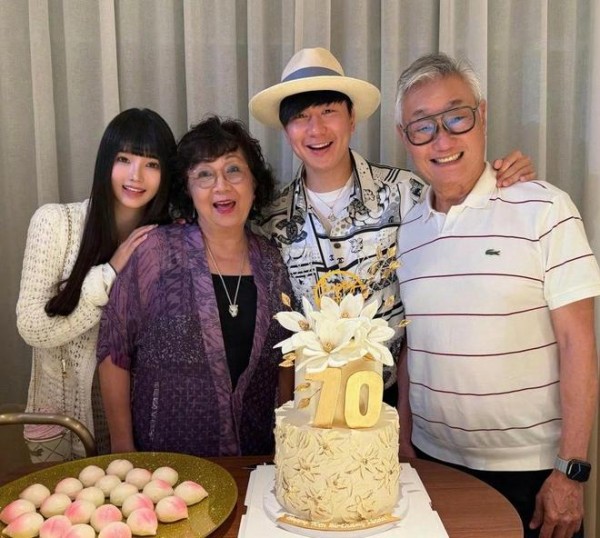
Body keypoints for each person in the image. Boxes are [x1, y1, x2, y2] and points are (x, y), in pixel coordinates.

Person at [249, 47, 535, 404]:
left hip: (399, 400)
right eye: (301, 117)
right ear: (286, 129)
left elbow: (468, 231)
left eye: (328, 111)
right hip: (310, 405)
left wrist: (502, 178)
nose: (316, 129)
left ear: (352, 118)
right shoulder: (269, 221)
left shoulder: (408, 194)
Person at [394, 52, 600, 538]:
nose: (442, 139)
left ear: (482, 116)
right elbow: (414, 343)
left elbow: (579, 344)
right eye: (423, 126)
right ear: (406, 138)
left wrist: (571, 470)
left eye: (456, 117)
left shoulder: (545, 208)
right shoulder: (409, 228)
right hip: (433, 464)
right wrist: (404, 439)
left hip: (532, 472)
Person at [97, 115, 294, 457]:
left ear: (254, 183)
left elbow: (286, 357)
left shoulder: (271, 260)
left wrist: (289, 440)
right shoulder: (156, 252)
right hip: (167, 462)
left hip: (256, 459)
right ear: (187, 189)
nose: (221, 186)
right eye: (204, 174)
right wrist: (122, 445)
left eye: (233, 170)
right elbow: (115, 349)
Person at [16, 108, 176, 460]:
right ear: (106, 162)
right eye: (124, 159)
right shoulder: (55, 223)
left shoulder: (167, 241)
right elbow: (32, 328)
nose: (135, 175)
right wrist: (110, 272)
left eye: (151, 164)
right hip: (62, 426)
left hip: (137, 425)